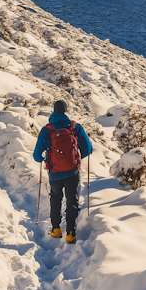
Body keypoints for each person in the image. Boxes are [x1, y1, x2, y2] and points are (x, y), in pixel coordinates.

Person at [33, 100, 92, 243]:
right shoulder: (74, 127)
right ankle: (71, 234)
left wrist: (46, 159)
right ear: (65, 110)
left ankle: (56, 230)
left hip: (55, 172)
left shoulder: (47, 130)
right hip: (72, 172)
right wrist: (74, 158)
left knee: (56, 199)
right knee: (72, 201)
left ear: (53, 111)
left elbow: (36, 155)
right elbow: (88, 148)